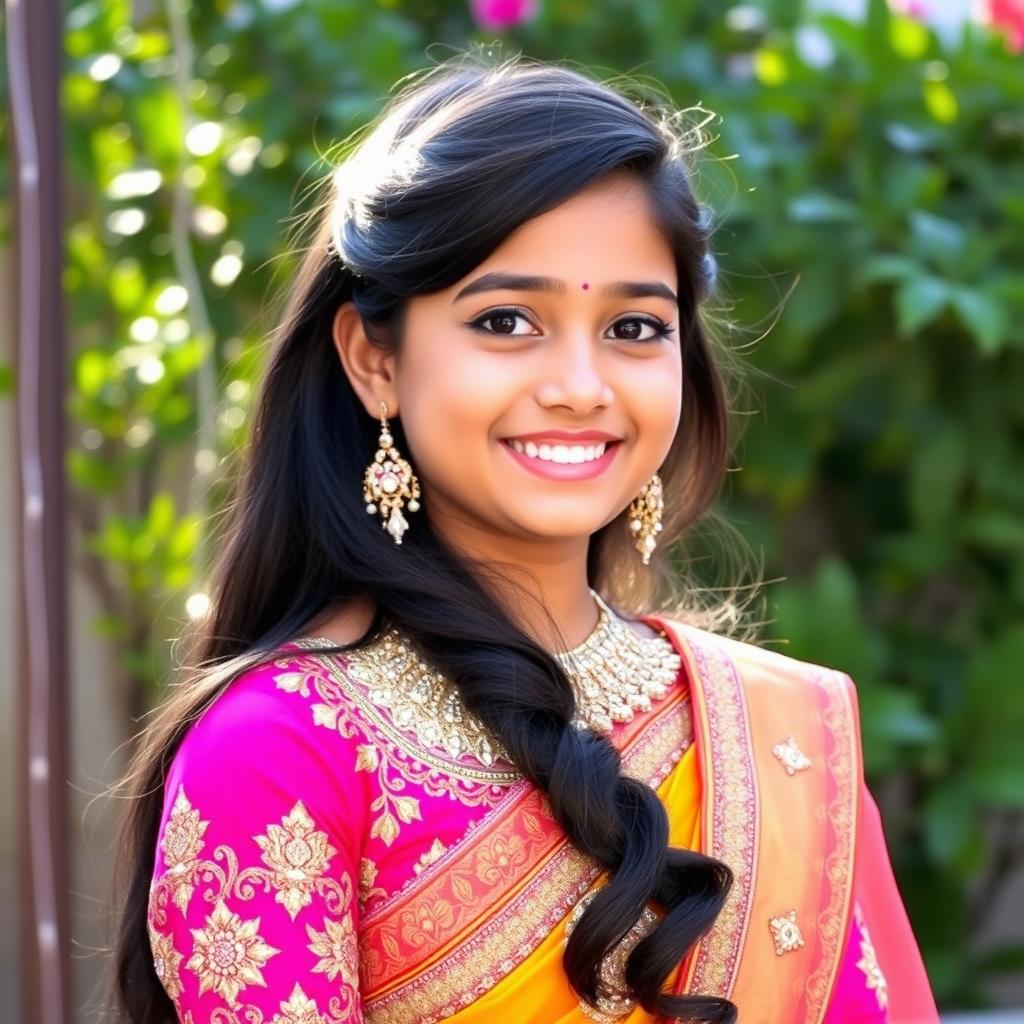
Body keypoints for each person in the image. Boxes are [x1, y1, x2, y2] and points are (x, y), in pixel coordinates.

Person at [107, 51, 939, 1024]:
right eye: (507, 320)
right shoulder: (283, 750)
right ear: (375, 361)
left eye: (634, 326)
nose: (581, 384)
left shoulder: (781, 739)